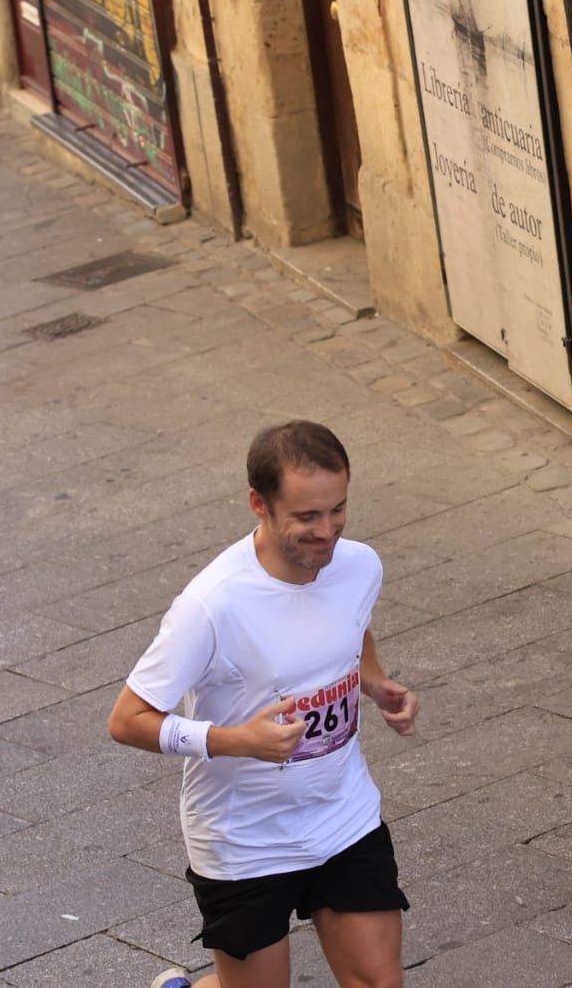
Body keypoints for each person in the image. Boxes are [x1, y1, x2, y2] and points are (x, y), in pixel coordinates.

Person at [108, 420, 420, 988]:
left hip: (341, 814)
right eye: (306, 517)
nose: (327, 532)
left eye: (338, 510)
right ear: (259, 503)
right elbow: (127, 720)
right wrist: (234, 742)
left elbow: (354, 628)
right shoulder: (211, 606)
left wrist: (373, 680)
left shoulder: (359, 566)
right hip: (244, 840)